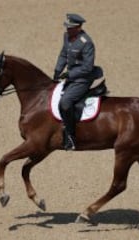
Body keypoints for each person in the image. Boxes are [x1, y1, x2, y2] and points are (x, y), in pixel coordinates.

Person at [53, 13, 98, 150]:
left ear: (78, 28)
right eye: (67, 27)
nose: (67, 30)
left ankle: (71, 137)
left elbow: (87, 67)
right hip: (70, 76)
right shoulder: (67, 36)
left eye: (70, 28)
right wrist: (57, 71)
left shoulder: (87, 43)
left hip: (82, 79)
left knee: (66, 102)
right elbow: (63, 54)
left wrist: (69, 74)